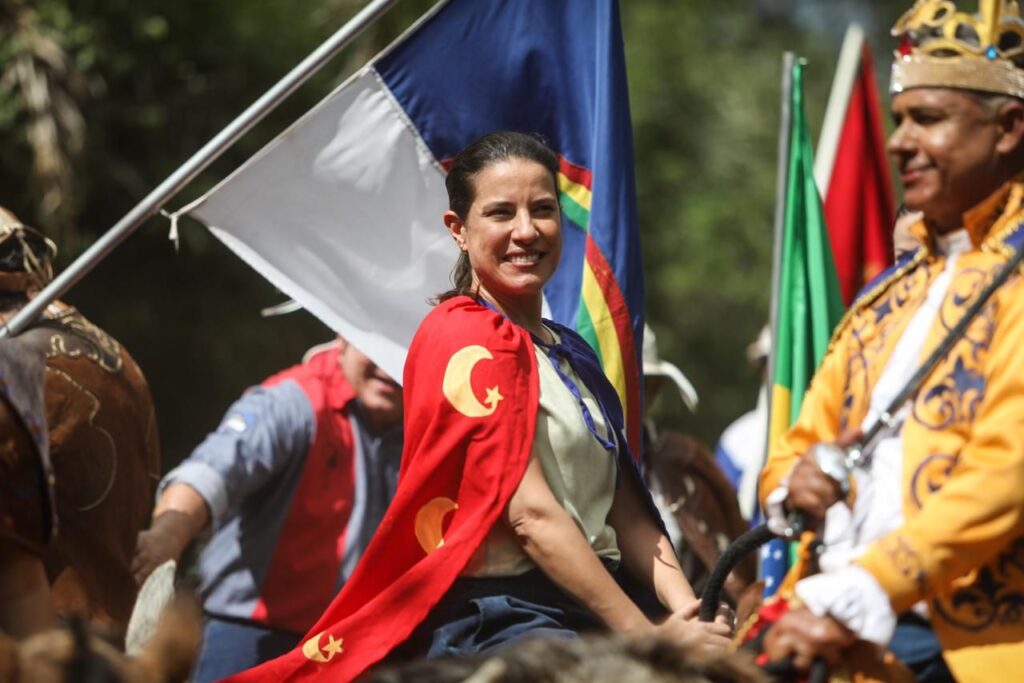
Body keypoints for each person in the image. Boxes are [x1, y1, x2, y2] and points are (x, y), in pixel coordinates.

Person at [225, 132, 730, 683]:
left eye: (543, 210)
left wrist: (689, 614)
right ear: (458, 230)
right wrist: (648, 640)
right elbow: (531, 518)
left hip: (596, 610)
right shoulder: (460, 336)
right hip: (504, 618)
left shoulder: (572, 353)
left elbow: (627, 512)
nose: (525, 230)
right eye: (500, 213)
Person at [761, 2, 1024, 680]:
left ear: (1007, 129)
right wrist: (794, 482)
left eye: (927, 119)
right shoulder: (882, 300)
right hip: (834, 618)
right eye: (899, 118)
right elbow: (799, 439)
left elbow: (1006, 470)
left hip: (974, 643)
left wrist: (873, 584)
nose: (900, 141)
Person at [132, 337, 404, 682]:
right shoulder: (292, 401)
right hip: (248, 638)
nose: (388, 368)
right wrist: (167, 536)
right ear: (344, 338)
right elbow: (215, 469)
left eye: (401, 354)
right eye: (378, 346)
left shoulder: (429, 425)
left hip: (354, 650)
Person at [0, 205, 160, 642]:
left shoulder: (11, 367)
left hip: (40, 645)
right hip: (112, 637)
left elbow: (16, 575)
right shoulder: (114, 352)